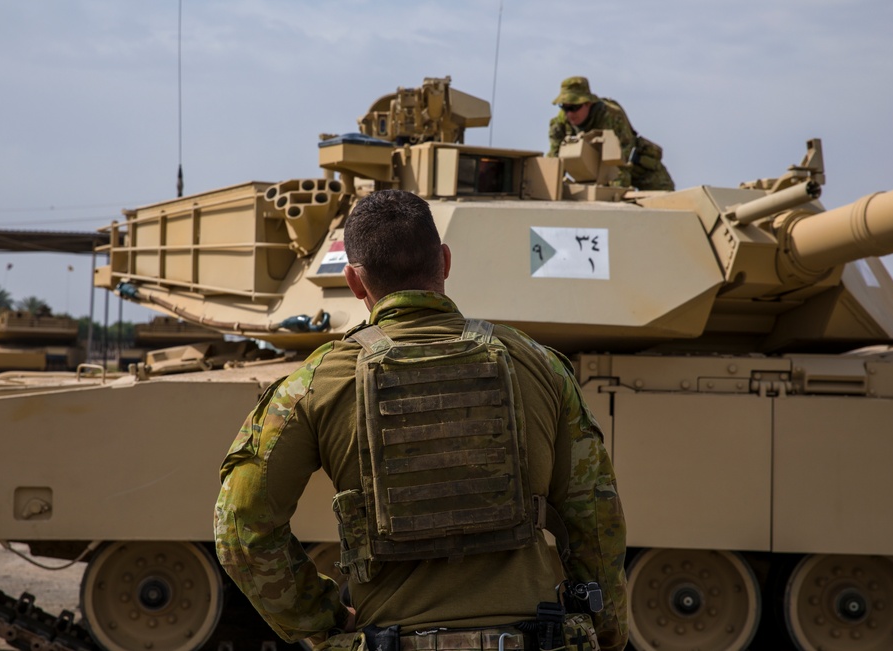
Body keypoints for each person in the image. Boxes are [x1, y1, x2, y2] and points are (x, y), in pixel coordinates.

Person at [215, 189, 628, 651]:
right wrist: (605, 630)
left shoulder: (313, 384)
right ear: (445, 261)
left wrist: (321, 619)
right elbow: (595, 516)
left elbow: (241, 527)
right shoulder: (540, 365)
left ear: (354, 281)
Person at [548, 76, 675, 191]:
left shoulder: (611, 117)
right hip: (597, 175)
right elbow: (554, 162)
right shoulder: (560, 124)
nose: (569, 114)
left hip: (641, 171)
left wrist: (614, 200)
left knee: (668, 202)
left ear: (588, 103)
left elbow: (620, 165)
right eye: (565, 107)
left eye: (574, 108)